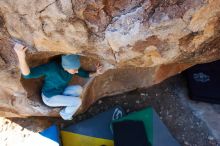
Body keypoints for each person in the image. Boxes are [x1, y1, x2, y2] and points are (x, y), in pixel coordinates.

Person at [13, 43, 103, 120]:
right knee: (77, 101)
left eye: (77, 68)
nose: (76, 71)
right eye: (74, 69)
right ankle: (65, 115)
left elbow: (85, 74)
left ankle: (66, 102)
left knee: (78, 89)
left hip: (61, 92)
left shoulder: (72, 68)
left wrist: (96, 73)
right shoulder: (51, 68)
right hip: (50, 97)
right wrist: (21, 56)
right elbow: (28, 75)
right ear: (66, 67)